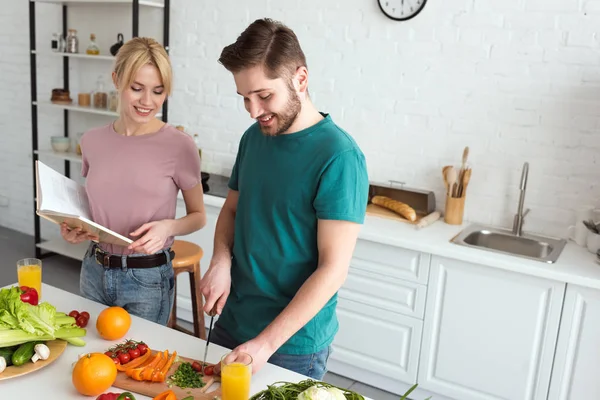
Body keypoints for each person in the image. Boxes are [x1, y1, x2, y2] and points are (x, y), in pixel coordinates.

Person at [199, 18, 369, 379]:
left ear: (300, 79)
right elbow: (232, 210)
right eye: (245, 98)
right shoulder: (253, 137)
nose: (254, 111)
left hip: (290, 344)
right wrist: (220, 260)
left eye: (264, 95)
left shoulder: (339, 157)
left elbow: (333, 270)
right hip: (233, 321)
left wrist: (265, 344)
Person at [60, 37, 207, 326]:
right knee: (90, 359)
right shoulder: (91, 141)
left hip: (147, 278)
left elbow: (199, 216)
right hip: (94, 268)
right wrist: (75, 229)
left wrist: (169, 227)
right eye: (136, 88)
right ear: (117, 80)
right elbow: (99, 207)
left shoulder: (179, 145)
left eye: (158, 91)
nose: (147, 101)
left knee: (138, 368)